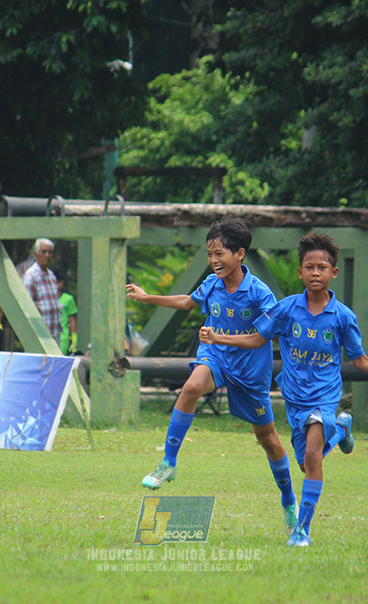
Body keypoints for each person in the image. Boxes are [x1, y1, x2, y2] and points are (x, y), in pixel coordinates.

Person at [200, 231, 368, 547]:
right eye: (310, 267)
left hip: (325, 397)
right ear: (300, 272)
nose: (316, 273)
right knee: (306, 463)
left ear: (334, 273)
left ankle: (302, 531)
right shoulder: (286, 310)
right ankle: (342, 431)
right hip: (294, 398)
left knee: (313, 455)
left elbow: (361, 361)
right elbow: (256, 339)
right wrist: (219, 338)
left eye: (322, 268)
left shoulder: (343, 317)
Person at [126, 217, 300, 533]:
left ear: (240, 254)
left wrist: (217, 337)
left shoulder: (260, 295)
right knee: (191, 386)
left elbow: (260, 339)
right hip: (216, 358)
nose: (213, 261)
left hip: (250, 372)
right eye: (209, 254)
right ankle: (168, 463)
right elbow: (188, 301)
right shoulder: (212, 284)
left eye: (219, 254)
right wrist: (147, 296)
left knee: (268, 440)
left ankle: (289, 503)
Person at [22, 238, 61, 340]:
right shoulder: (30, 276)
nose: (47, 255)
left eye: (50, 252)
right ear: (36, 254)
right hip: (40, 334)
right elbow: (27, 307)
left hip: (54, 332)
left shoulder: (51, 275)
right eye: (43, 252)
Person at [58, 277, 78, 354]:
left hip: (63, 336)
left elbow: (72, 320)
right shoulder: (47, 298)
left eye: (59, 282)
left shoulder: (68, 299)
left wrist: (74, 340)